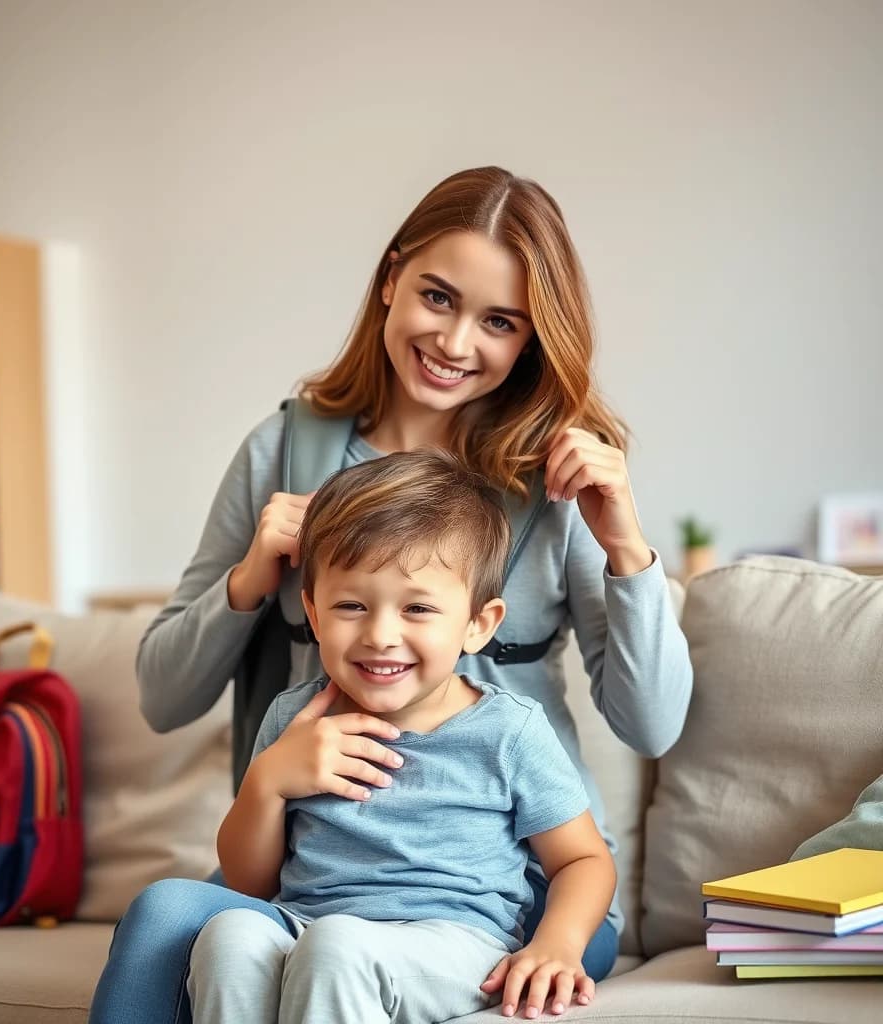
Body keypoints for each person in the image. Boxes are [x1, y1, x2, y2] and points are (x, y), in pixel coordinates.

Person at [88, 165, 693, 1024]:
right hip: (323, 861)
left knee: (336, 950)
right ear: (390, 281)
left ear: (531, 339)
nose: (454, 343)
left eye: (499, 322)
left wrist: (624, 542)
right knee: (169, 920)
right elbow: (161, 696)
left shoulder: (554, 482)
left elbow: (653, 725)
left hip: (505, 880)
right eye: (437, 298)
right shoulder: (286, 451)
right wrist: (256, 578)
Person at [188, 449, 616, 1022]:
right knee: (229, 934)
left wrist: (556, 944)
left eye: (416, 607)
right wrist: (266, 783)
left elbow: (584, 860)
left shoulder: (508, 730)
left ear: (476, 625)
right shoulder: (297, 719)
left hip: (456, 941)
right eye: (350, 606)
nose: (380, 634)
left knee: (337, 947)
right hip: (308, 927)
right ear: (313, 616)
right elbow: (247, 882)